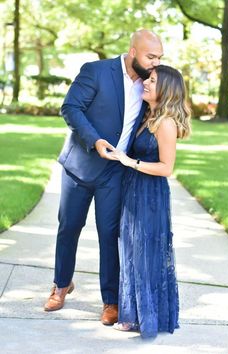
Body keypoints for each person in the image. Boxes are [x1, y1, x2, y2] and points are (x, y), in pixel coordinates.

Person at [44, 29, 164, 326]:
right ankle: (61, 285)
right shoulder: (96, 71)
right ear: (133, 51)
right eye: (151, 57)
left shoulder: (151, 83)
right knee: (69, 227)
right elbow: (70, 107)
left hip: (115, 172)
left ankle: (110, 300)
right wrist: (95, 140)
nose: (155, 63)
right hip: (80, 167)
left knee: (110, 235)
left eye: (159, 58)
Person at [110, 65, 191, 338]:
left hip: (150, 193)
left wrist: (129, 161)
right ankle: (133, 312)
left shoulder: (165, 122)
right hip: (134, 188)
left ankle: (147, 315)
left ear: (165, 89)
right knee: (131, 249)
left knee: (146, 251)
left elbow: (166, 168)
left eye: (152, 81)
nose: (146, 83)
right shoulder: (148, 116)